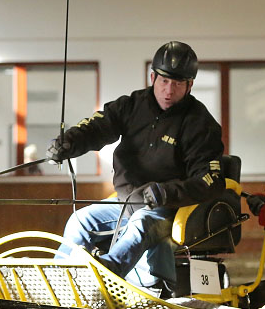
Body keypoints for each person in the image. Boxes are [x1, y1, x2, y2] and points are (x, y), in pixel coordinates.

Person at [48, 41, 224, 279]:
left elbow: (210, 180)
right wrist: (69, 143)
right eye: (164, 81)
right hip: (125, 202)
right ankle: (59, 279)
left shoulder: (201, 124)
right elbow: (98, 127)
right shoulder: (131, 105)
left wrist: (167, 192)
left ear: (190, 85)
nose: (169, 91)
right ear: (153, 77)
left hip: (168, 208)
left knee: (141, 223)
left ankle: (106, 273)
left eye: (178, 83)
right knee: (81, 219)